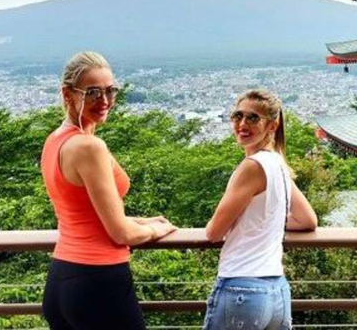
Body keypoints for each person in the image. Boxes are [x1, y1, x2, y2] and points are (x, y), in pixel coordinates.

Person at [41, 51, 177, 329]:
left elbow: (84, 213)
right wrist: (157, 229)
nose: (104, 101)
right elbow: (120, 233)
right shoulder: (89, 147)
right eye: (92, 93)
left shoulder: (55, 141)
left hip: (61, 281)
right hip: (99, 283)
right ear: (68, 94)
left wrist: (140, 221)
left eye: (110, 91)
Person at [203, 89, 318, 330]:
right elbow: (308, 220)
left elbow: (213, 232)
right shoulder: (278, 163)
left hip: (241, 286)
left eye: (253, 118)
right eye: (238, 116)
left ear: (272, 126)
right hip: (276, 290)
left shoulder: (251, 167)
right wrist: (265, 221)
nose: (242, 124)